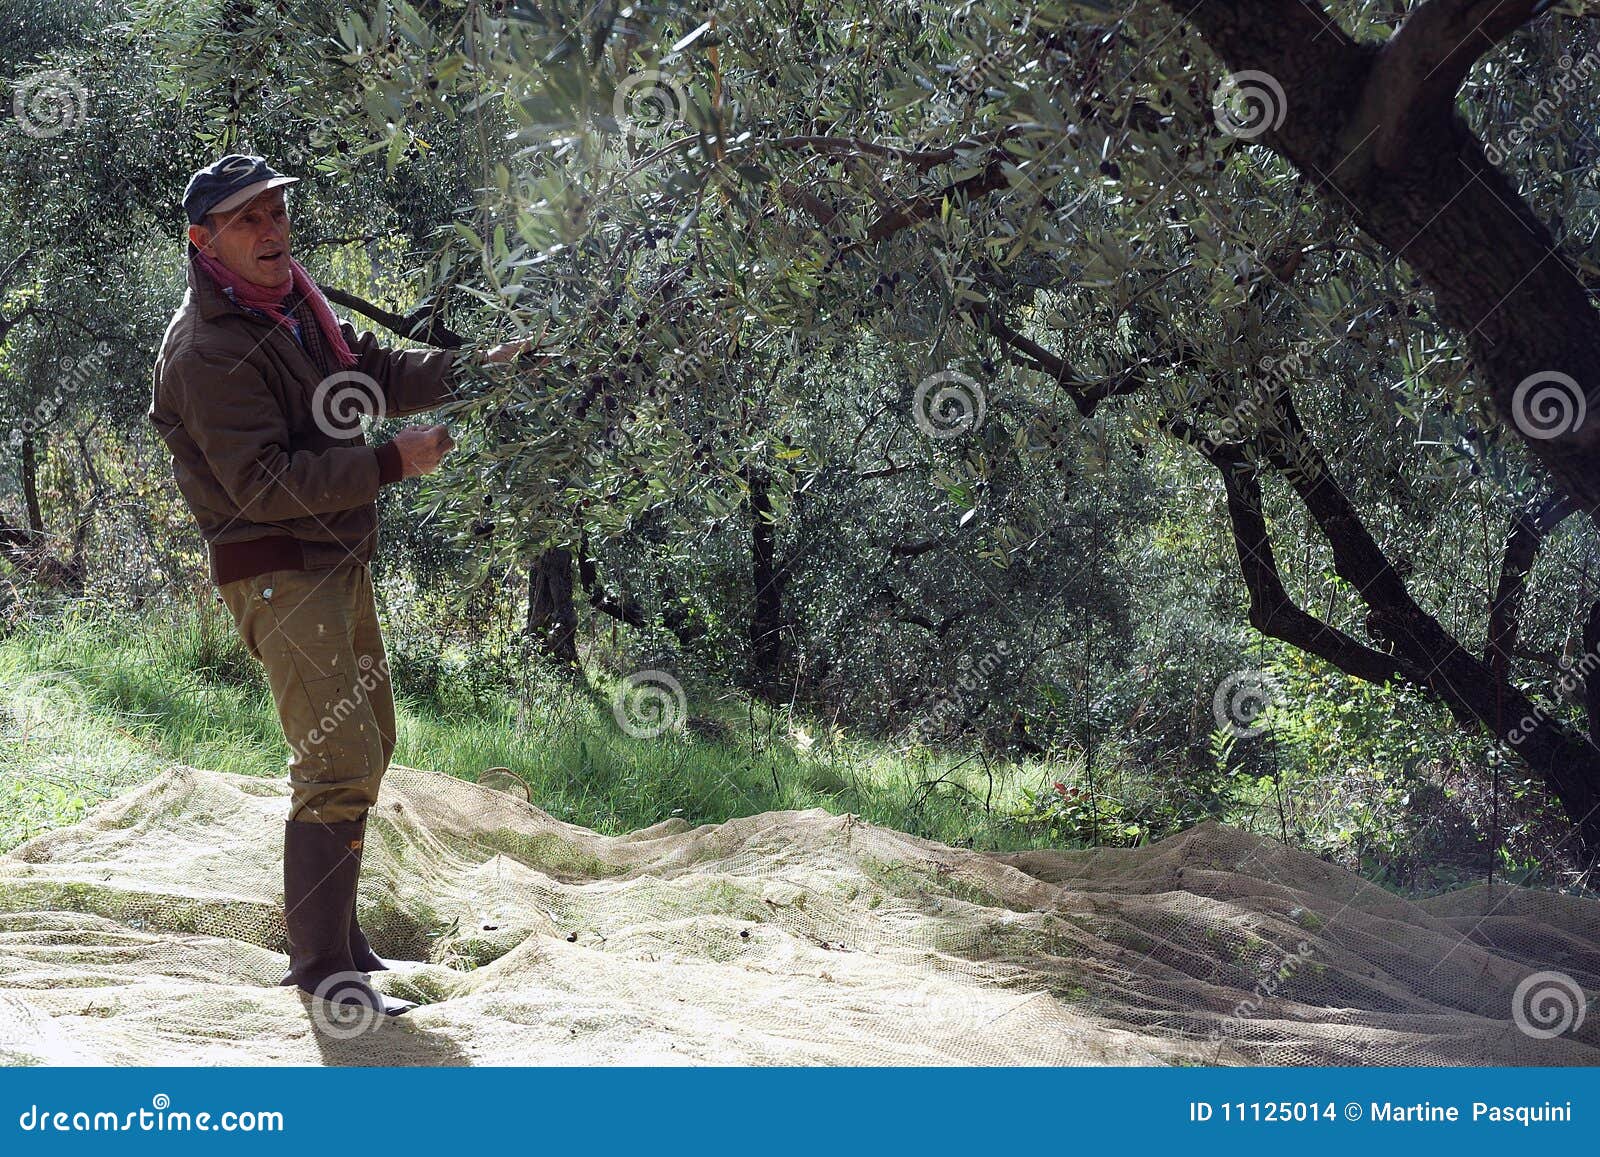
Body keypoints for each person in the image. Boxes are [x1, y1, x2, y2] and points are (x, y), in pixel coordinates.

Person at [148, 155, 531, 1019]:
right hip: (279, 572)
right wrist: (391, 462)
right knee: (336, 758)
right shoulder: (209, 347)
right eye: (248, 219)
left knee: (370, 741)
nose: (273, 229)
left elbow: (375, 373)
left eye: (278, 210)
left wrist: (481, 368)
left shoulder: (289, 310)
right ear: (202, 240)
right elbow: (262, 485)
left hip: (329, 559)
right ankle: (323, 972)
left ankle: (341, 939)